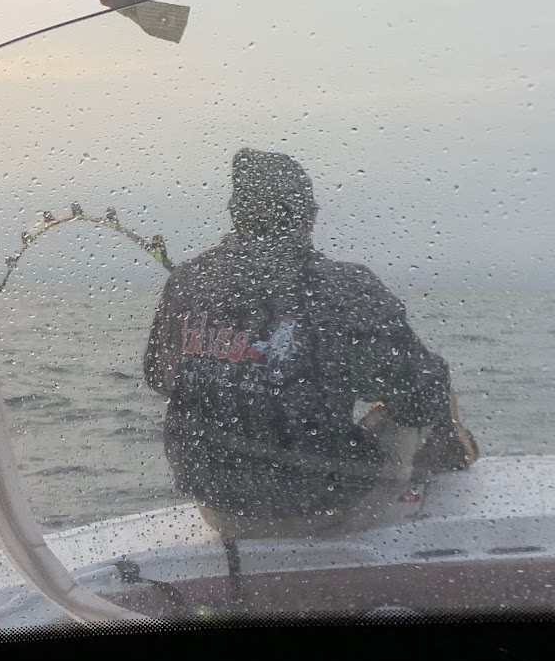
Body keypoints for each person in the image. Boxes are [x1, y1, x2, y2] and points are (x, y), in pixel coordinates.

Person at [144, 149, 476, 538]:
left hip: (219, 511)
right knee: (436, 391)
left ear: (236, 214)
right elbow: (423, 393)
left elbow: (159, 377)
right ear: (305, 215)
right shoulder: (347, 287)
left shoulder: (187, 281)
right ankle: (454, 466)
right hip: (327, 511)